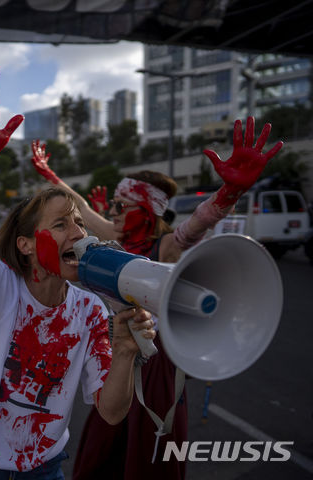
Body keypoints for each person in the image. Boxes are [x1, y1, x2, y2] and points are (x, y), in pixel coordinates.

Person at [0, 63, 157, 479]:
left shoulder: (90, 310)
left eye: (81, 223)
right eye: (61, 224)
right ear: (26, 245)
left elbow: (110, 410)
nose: (79, 233)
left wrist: (124, 350)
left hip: (43, 469)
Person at [30, 116, 283, 479]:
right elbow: (81, 207)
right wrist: (50, 176)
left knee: (148, 452)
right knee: (107, 446)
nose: (113, 213)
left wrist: (229, 193)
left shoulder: (162, 246)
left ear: (147, 210)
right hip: (117, 355)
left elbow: (195, 227)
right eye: (113, 205)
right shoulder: (114, 236)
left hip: (153, 366)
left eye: (122, 205)